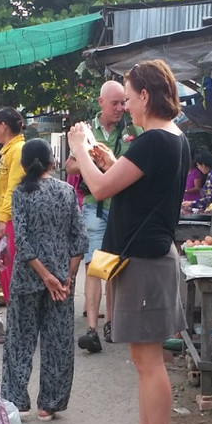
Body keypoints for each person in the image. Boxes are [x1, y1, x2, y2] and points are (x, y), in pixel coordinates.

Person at [67, 59, 189, 424]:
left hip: (145, 260)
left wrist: (81, 145)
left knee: (149, 362)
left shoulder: (155, 139)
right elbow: (138, 187)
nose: (126, 104)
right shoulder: (170, 138)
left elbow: (99, 189)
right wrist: (113, 159)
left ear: (145, 96)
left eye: (130, 95)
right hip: (144, 257)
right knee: (142, 362)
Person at [0, 139, 89, 420]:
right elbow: (80, 239)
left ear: (24, 165)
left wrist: (45, 276)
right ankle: (48, 406)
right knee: (58, 342)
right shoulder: (67, 192)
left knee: (19, 340)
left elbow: (23, 245)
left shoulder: (20, 194)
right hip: (61, 284)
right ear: (52, 163)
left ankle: (16, 403)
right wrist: (65, 276)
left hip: (27, 279)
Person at [67, 80, 141, 353]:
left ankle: (111, 323)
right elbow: (70, 165)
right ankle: (92, 329)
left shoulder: (133, 130)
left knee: (114, 268)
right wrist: (92, 160)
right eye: (115, 103)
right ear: (101, 103)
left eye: (123, 102)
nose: (120, 108)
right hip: (95, 207)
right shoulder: (85, 131)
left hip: (121, 206)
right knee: (95, 266)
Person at [0, 107, 26, 304]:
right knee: (2, 270)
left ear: (4, 126)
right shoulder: (8, 152)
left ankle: (17, 329)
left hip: (11, 223)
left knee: (11, 274)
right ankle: (12, 328)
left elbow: (14, 188)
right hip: (4, 223)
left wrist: (3, 220)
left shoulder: (18, 151)